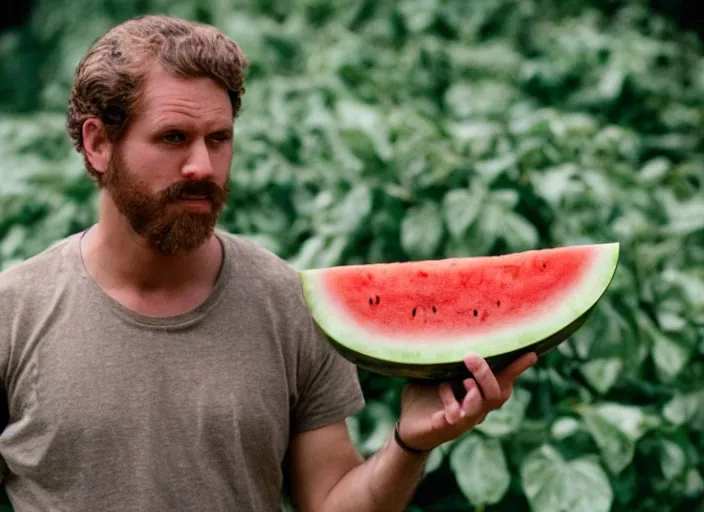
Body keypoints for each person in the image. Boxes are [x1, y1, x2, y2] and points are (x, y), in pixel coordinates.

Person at [0, 14, 538, 512]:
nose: (201, 166)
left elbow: (328, 501)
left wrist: (409, 444)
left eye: (219, 139)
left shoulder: (288, 303)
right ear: (98, 144)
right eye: (172, 138)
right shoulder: (14, 313)